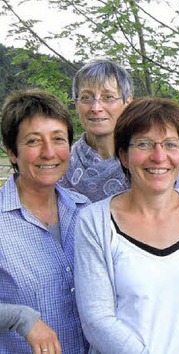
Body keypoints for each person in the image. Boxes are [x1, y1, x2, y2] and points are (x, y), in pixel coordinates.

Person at [74, 97, 179, 354]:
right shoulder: (94, 222)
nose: (158, 156)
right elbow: (96, 319)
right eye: (144, 144)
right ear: (123, 155)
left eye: (170, 144)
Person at [0, 89, 89, 353]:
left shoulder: (87, 212)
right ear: (12, 153)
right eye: (33, 141)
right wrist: (20, 317)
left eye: (58, 139)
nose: (49, 152)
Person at [60, 59, 133, 201]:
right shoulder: (61, 165)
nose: (96, 108)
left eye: (108, 97)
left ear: (127, 103)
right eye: (86, 97)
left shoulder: (143, 162)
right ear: (76, 104)